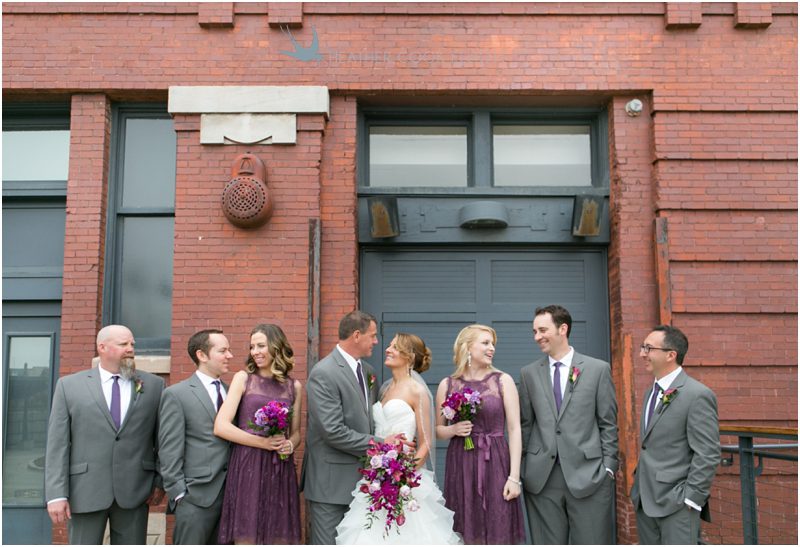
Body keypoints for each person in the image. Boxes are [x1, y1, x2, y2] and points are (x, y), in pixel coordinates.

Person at [335, 333, 461, 544]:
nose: (388, 349)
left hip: (405, 479)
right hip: (378, 476)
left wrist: (403, 475)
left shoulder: (417, 390)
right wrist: (382, 471)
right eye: (390, 346)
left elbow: (426, 442)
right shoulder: (384, 389)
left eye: (395, 347)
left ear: (410, 356)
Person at [44, 325, 165, 544]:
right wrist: (56, 494)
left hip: (135, 491)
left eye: (132, 344)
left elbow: (162, 439)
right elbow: (57, 444)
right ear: (102, 347)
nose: (130, 349)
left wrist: (159, 480)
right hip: (85, 491)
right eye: (123, 344)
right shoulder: (69, 386)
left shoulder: (155, 386)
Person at [302, 310, 406, 545]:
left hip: (364, 483)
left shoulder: (367, 372)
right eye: (373, 335)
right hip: (331, 485)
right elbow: (333, 431)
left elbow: (370, 419)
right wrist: (382, 445)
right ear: (357, 335)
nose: (376, 341)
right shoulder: (324, 373)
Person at [519, 305, 618, 544]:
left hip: (590, 475)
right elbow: (525, 425)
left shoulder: (597, 369)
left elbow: (608, 423)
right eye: (534, 331)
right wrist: (523, 468)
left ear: (563, 329)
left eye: (543, 330)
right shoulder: (528, 374)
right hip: (541, 479)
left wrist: (609, 469)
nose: (537, 337)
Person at [436, 324, 526, 545]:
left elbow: (514, 430)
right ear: (467, 347)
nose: (492, 348)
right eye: (485, 343)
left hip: (495, 462)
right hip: (461, 464)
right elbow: (438, 430)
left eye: (493, 343)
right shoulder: (447, 384)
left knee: (499, 525)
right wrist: (454, 429)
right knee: (465, 528)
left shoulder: (502, 381)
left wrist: (514, 478)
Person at [630, 325, 720, 544]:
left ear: (671, 355)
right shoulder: (650, 392)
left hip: (677, 504)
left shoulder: (697, 395)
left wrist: (691, 498)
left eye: (648, 348)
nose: (642, 354)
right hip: (645, 499)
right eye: (643, 348)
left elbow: (707, 453)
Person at [214, 324, 303, 544]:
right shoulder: (243, 378)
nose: (255, 351)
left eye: (261, 345)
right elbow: (221, 426)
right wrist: (263, 443)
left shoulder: (294, 386)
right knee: (246, 533)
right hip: (248, 465)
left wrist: (289, 445)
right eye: (252, 346)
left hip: (279, 468)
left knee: (278, 534)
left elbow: (296, 433)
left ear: (276, 347)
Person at [158, 329, 233, 544]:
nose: (230, 355)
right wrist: (179, 494)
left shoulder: (233, 392)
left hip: (232, 496)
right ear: (202, 355)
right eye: (223, 351)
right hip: (195, 497)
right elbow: (169, 448)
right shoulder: (177, 394)